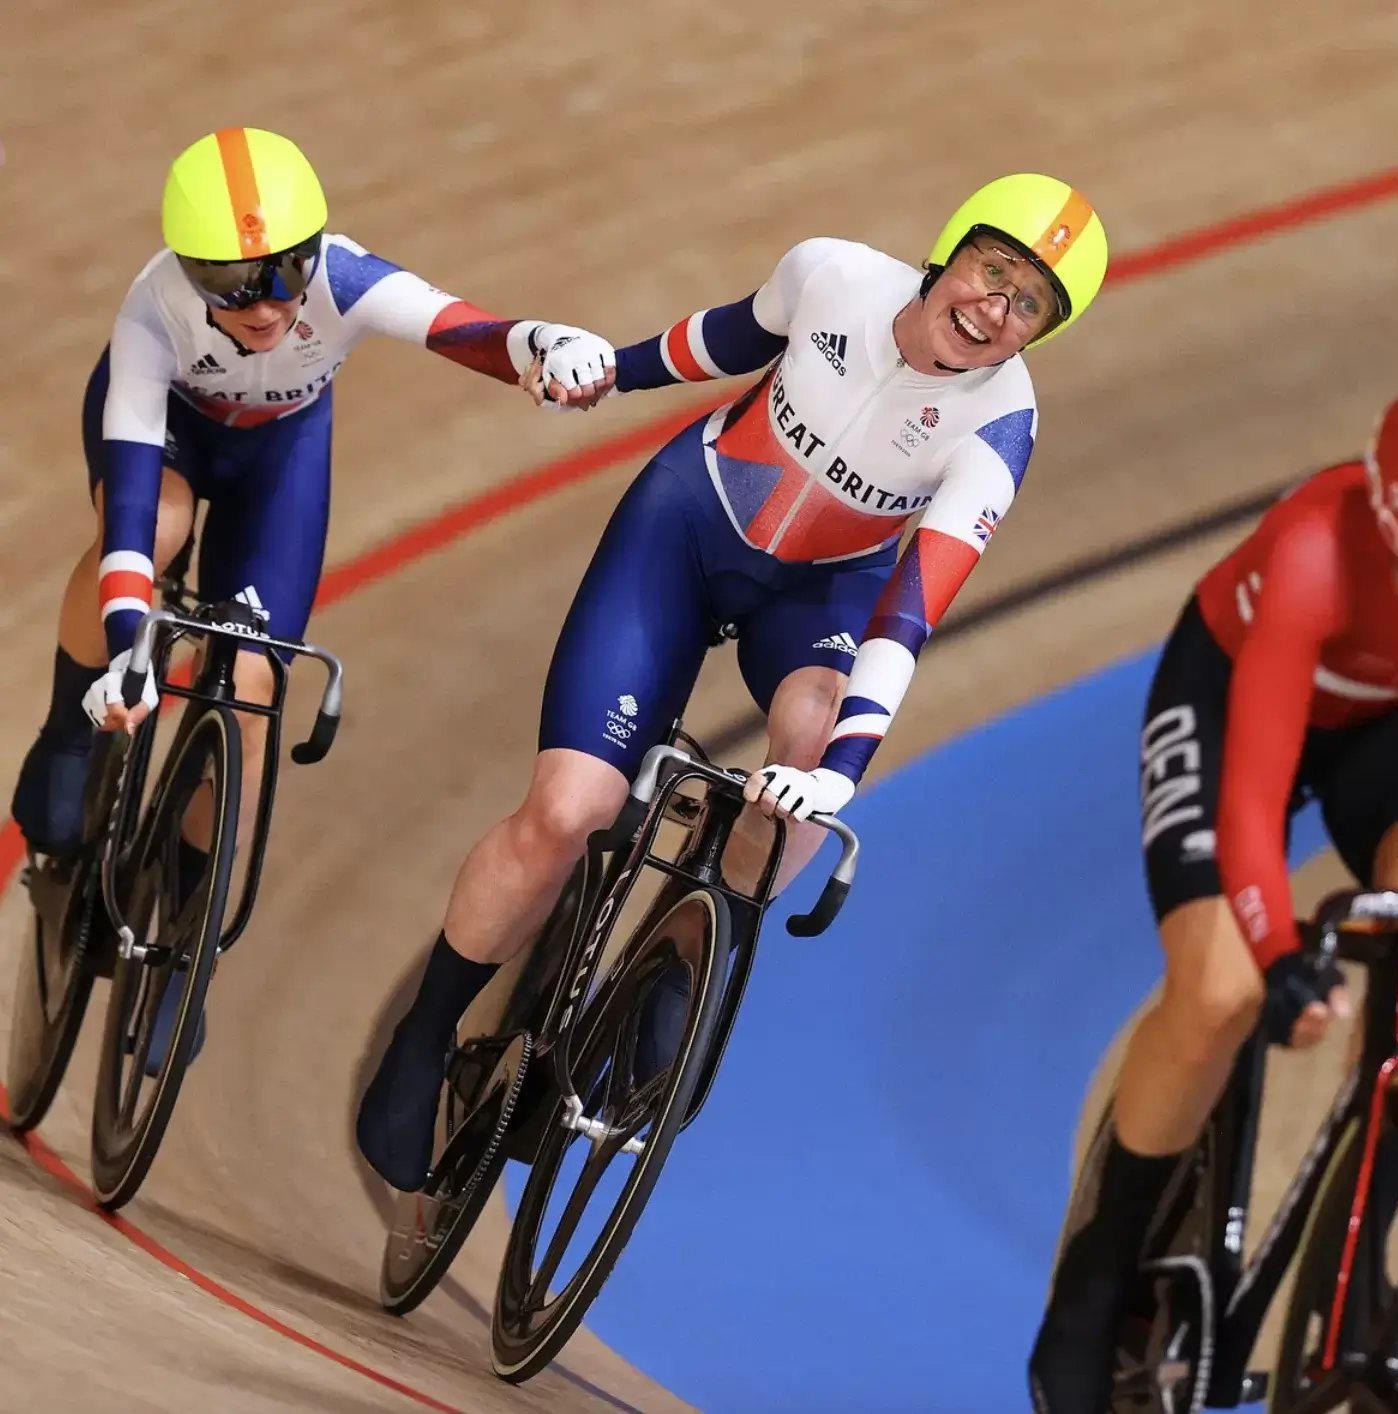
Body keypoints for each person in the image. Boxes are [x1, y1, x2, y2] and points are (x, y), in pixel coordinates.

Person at [355, 173, 1111, 1192]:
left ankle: (689, 953)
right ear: (953, 250)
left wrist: (843, 770)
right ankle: (427, 1028)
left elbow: (911, 609)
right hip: (685, 530)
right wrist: (604, 372)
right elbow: (720, 341)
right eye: (992, 271)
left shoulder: (998, 431)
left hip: (821, 598)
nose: (991, 308)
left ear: (1037, 334)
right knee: (568, 809)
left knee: (812, 732)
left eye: (1027, 304)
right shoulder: (833, 273)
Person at [9, 126, 616, 1076]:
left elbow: (465, 330)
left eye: (285, 274)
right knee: (157, 537)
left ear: (315, 254)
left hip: (277, 457)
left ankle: (186, 943)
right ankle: (67, 728)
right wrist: (133, 647)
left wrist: (545, 344)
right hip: (165, 444)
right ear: (188, 272)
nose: (268, 306)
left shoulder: (346, 278)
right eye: (234, 285)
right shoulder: (151, 311)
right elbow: (128, 523)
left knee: (249, 690)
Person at [1026, 396, 1398, 1408]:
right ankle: (1092, 1289)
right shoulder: (1316, 547)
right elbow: (1250, 792)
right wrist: (1279, 954)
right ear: (1385, 514)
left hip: (1383, 733)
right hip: (1232, 694)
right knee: (1217, 993)